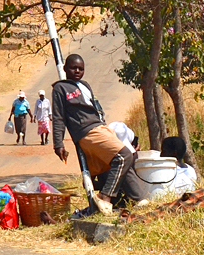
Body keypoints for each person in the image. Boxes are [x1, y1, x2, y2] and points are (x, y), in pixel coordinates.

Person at [51, 54, 142, 215]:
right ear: (65, 69)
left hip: (100, 127)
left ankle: (139, 200)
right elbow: (58, 117)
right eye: (73, 68)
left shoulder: (85, 85)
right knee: (124, 156)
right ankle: (104, 197)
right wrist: (58, 144)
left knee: (117, 161)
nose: (77, 71)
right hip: (87, 131)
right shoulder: (61, 88)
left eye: (81, 68)